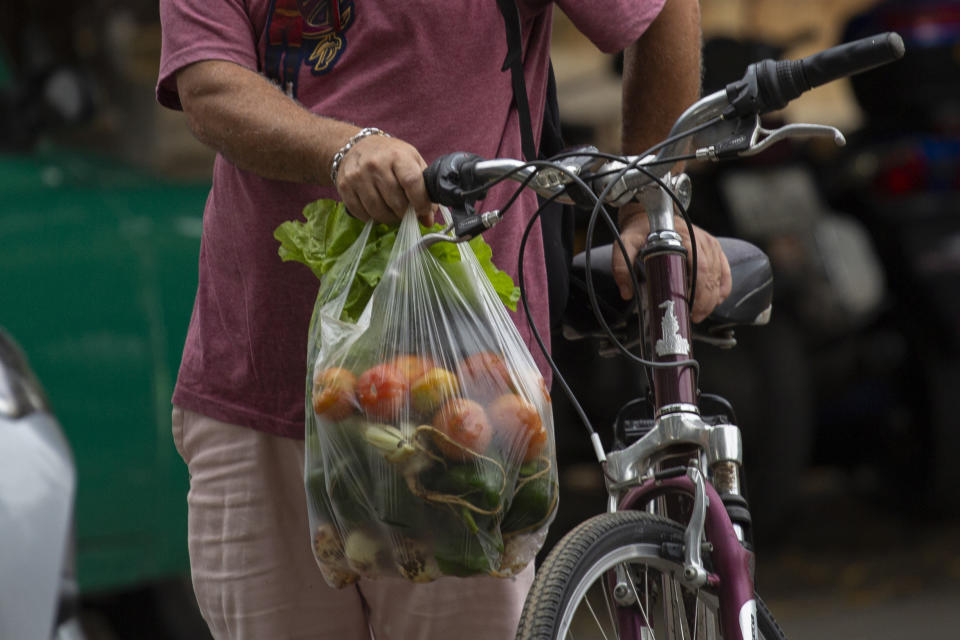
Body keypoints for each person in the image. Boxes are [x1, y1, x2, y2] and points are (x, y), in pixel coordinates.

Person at [157, 1, 731, 638]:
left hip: (464, 399)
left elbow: (658, 12)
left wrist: (648, 197)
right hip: (258, 391)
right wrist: (343, 148)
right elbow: (208, 85)